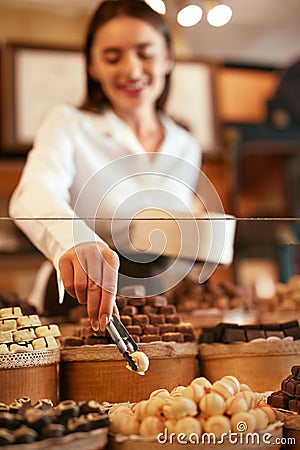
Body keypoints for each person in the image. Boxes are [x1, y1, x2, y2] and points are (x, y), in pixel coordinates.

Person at [9, 0, 202, 333]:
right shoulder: (68, 124)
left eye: (145, 53)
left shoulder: (185, 144)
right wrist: (76, 240)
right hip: (78, 303)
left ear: (168, 58)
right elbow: (33, 192)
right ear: (93, 67)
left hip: (157, 309)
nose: (131, 69)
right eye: (113, 57)